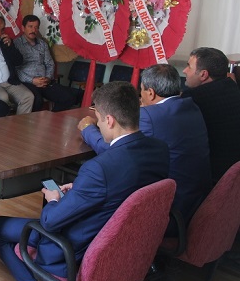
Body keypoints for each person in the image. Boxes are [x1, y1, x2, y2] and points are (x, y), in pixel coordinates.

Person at [0, 81, 169, 281]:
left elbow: (49, 221)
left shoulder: (99, 169)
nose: (98, 124)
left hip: (77, 247)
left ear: (109, 120)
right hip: (119, 243)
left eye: (98, 119)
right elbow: (120, 185)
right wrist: (80, 187)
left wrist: (54, 199)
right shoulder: (159, 150)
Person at [79, 64, 211, 230]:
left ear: (151, 93)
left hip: (170, 209)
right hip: (197, 202)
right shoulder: (191, 106)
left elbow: (114, 152)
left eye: (141, 91)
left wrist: (88, 129)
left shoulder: (148, 116)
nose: (140, 98)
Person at [182, 47, 240, 183]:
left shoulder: (192, 99)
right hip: (234, 174)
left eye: (189, 66)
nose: (184, 71)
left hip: (210, 178)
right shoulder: (233, 87)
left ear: (203, 75)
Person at [14, 15, 75, 112]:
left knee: (68, 97)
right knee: (37, 101)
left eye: (36, 27)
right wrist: (32, 80)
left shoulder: (42, 44)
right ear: (23, 28)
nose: (33, 30)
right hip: (27, 82)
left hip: (44, 81)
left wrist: (47, 78)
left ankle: (52, 118)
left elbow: (50, 63)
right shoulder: (16, 44)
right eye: (30, 26)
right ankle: (32, 122)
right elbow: (15, 69)